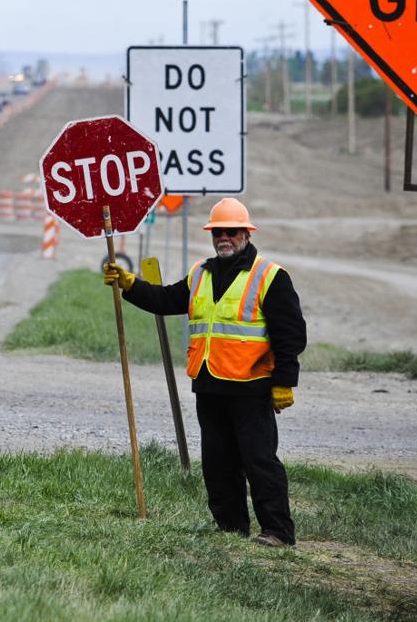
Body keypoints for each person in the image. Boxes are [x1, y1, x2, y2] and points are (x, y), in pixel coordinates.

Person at [103, 198, 306, 547]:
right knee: (217, 464)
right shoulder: (201, 273)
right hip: (210, 386)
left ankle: (278, 532)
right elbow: (167, 301)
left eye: (231, 231)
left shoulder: (270, 277)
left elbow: (291, 336)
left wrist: (284, 383)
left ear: (246, 233)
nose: (224, 237)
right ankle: (230, 530)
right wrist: (130, 284)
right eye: (217, 232)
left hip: (251, 386)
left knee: (259, 461)